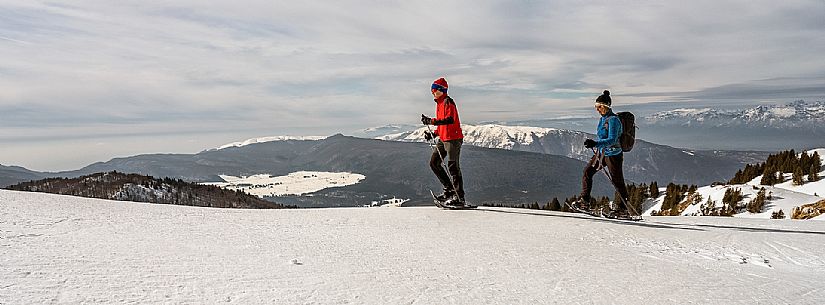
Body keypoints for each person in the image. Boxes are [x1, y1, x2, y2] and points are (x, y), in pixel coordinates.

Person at [579, 90, 630, 216]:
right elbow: (603, 137)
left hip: (613, 155)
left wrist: (595, 144)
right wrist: (594, 144)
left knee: (617, 181)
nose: (597, 109)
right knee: (587, 172)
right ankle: (584, 202)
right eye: (596, 106)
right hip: (602, 153)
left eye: (599, 106)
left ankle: (622, 209)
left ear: (607, 106)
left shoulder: (613, 120)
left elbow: (612, 139)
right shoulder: (603, 119)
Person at [421, 77, 465, 206]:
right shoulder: (439, 104)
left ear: (441, 90)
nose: (432, 92)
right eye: (432, 90)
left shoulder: (447, 102)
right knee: (434, 163)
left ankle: (459, 197)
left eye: (434, 89)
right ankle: (450, 190)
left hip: (453, 139)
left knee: (453, 167)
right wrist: (433, 134)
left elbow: (450, 120)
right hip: (443, 138)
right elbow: (443, 125)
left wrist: (431, 121)